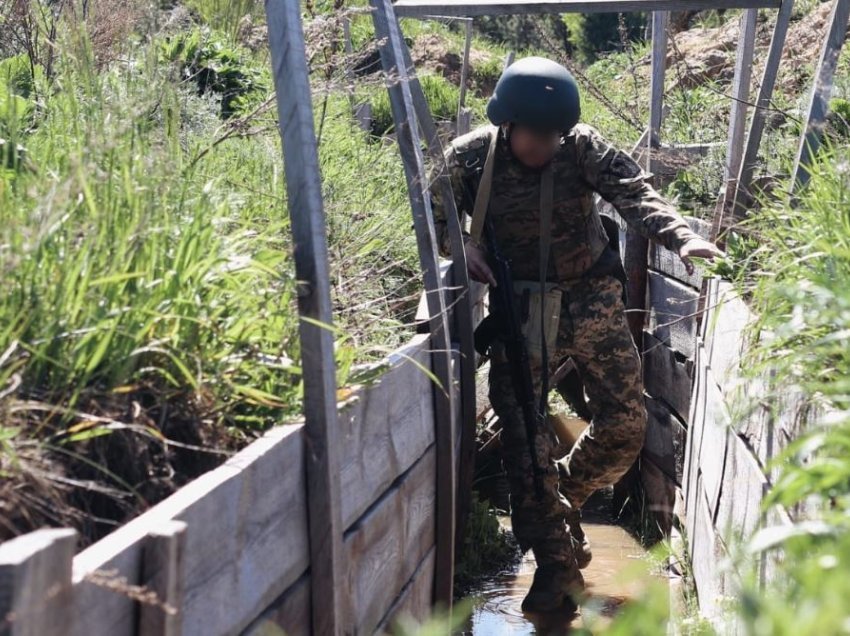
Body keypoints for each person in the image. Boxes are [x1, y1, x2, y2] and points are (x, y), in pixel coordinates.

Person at [429, 56, 724, 613]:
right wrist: (460, 246)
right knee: (525, 446)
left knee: (624, 428)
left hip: (594, 304)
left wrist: (681, 237)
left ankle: (563, 494)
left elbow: (636, 193)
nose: (543, 147)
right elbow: (433, 212)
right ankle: (559, 568)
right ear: (507, 123)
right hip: (522, 317)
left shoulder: (581, 147)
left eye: (552, 136)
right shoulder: (471, 157)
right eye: (533, 136)